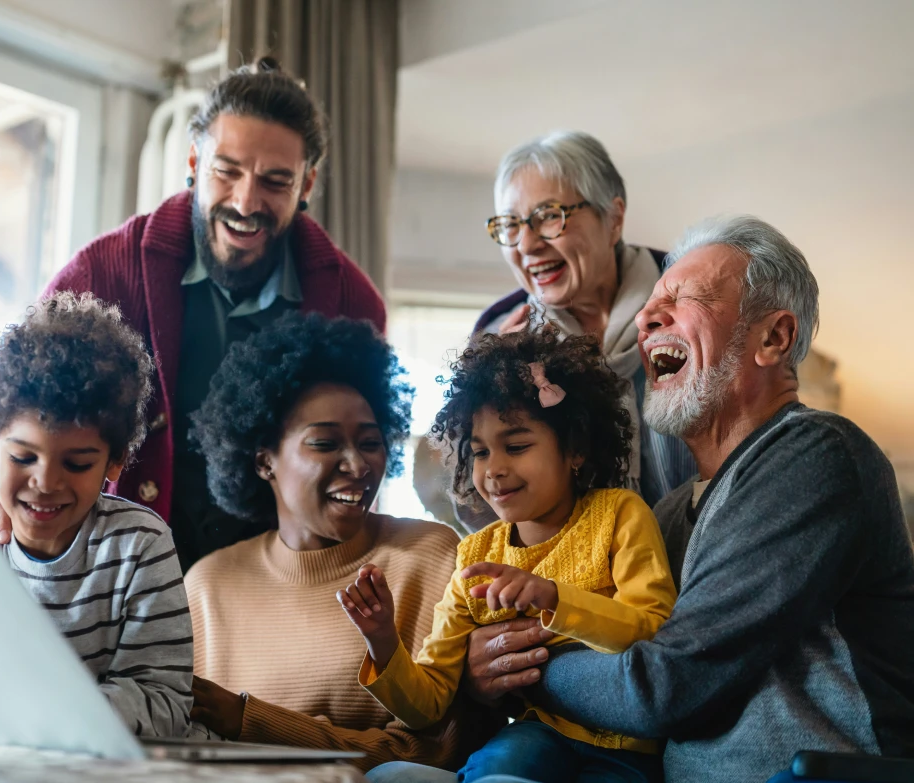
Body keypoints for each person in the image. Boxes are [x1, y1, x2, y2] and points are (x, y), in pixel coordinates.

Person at [459, 216, 914, 783]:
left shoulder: (816, 455)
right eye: (651, 304)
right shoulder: (670, 512)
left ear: (774, 338)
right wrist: (475, 665)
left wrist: (516, 662)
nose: (647, 319)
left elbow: (662, 687)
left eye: (686, 297)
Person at [0, 57, 386, 574]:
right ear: (194, 161)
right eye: (227, 171)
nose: (245, 201)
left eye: (275, 181)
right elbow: (16, 391)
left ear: (306, 185)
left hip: (273, 579)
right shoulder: (106, 269)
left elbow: (358, 462)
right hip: (113, 570)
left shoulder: (354, 305)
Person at [350, 326, 676, 783]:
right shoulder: (475, 555)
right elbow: (427, 705)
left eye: (517, 446)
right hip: (534, 737)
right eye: (480, 452)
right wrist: (383, 642)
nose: (495, 470)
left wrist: (552, 599)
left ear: (576, 449)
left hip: (628, 749)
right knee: (399, 775)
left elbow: (653, 629)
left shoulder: (619, 514)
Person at [183, 312, 486, 773]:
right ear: (265, 461)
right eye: (325, 444)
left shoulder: (428, 557)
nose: (358, 465)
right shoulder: (207, 585)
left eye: (370, 442)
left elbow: (434, 753)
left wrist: (251, 721)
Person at [0, 293, 192, 738]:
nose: (46, 483)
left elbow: (165, 702)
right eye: (22, 457)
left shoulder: (140, 545)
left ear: (114, 464)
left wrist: (37, 722)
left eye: (77, 464)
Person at [476, 131, 694, 511]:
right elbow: (473, 498)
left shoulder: (693, 306)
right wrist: (497, 389)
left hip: (698, 555)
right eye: (510, 225)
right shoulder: (497, 337)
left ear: (613, 219)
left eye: (547, 217)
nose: (526, 245)